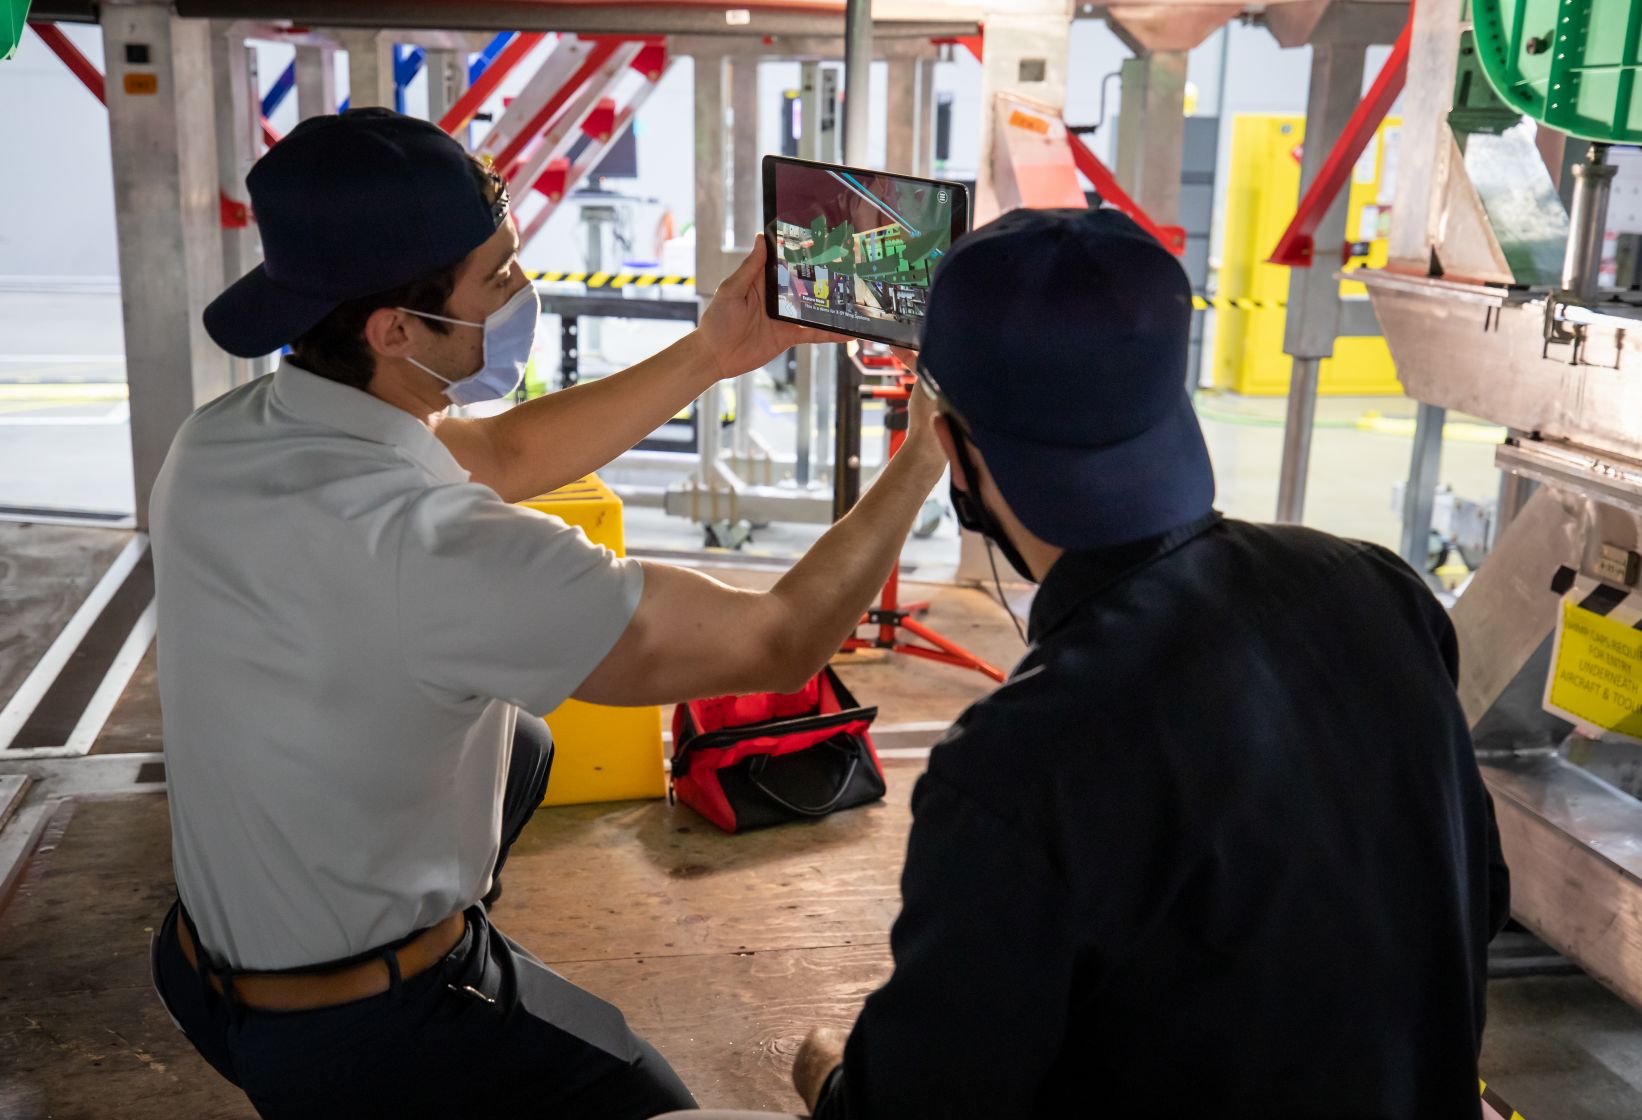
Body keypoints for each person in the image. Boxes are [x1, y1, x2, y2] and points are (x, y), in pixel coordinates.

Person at [146, 109, 948, 1119]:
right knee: (656, 1100)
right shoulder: (432, 548)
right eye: (499, 277)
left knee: (518, 740)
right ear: (395, 329)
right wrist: (928, 449)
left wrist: (713, 354)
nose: (521, 293)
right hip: (362, 1025)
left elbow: (504, 457)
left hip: (205, 965)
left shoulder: (222, 440)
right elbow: (779, 638)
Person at [787, 207, 1510, 1119]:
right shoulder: (1378, 589)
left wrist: (827, 1075)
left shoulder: (1020, 759)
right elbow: (1477, 901)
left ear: (956, 457)